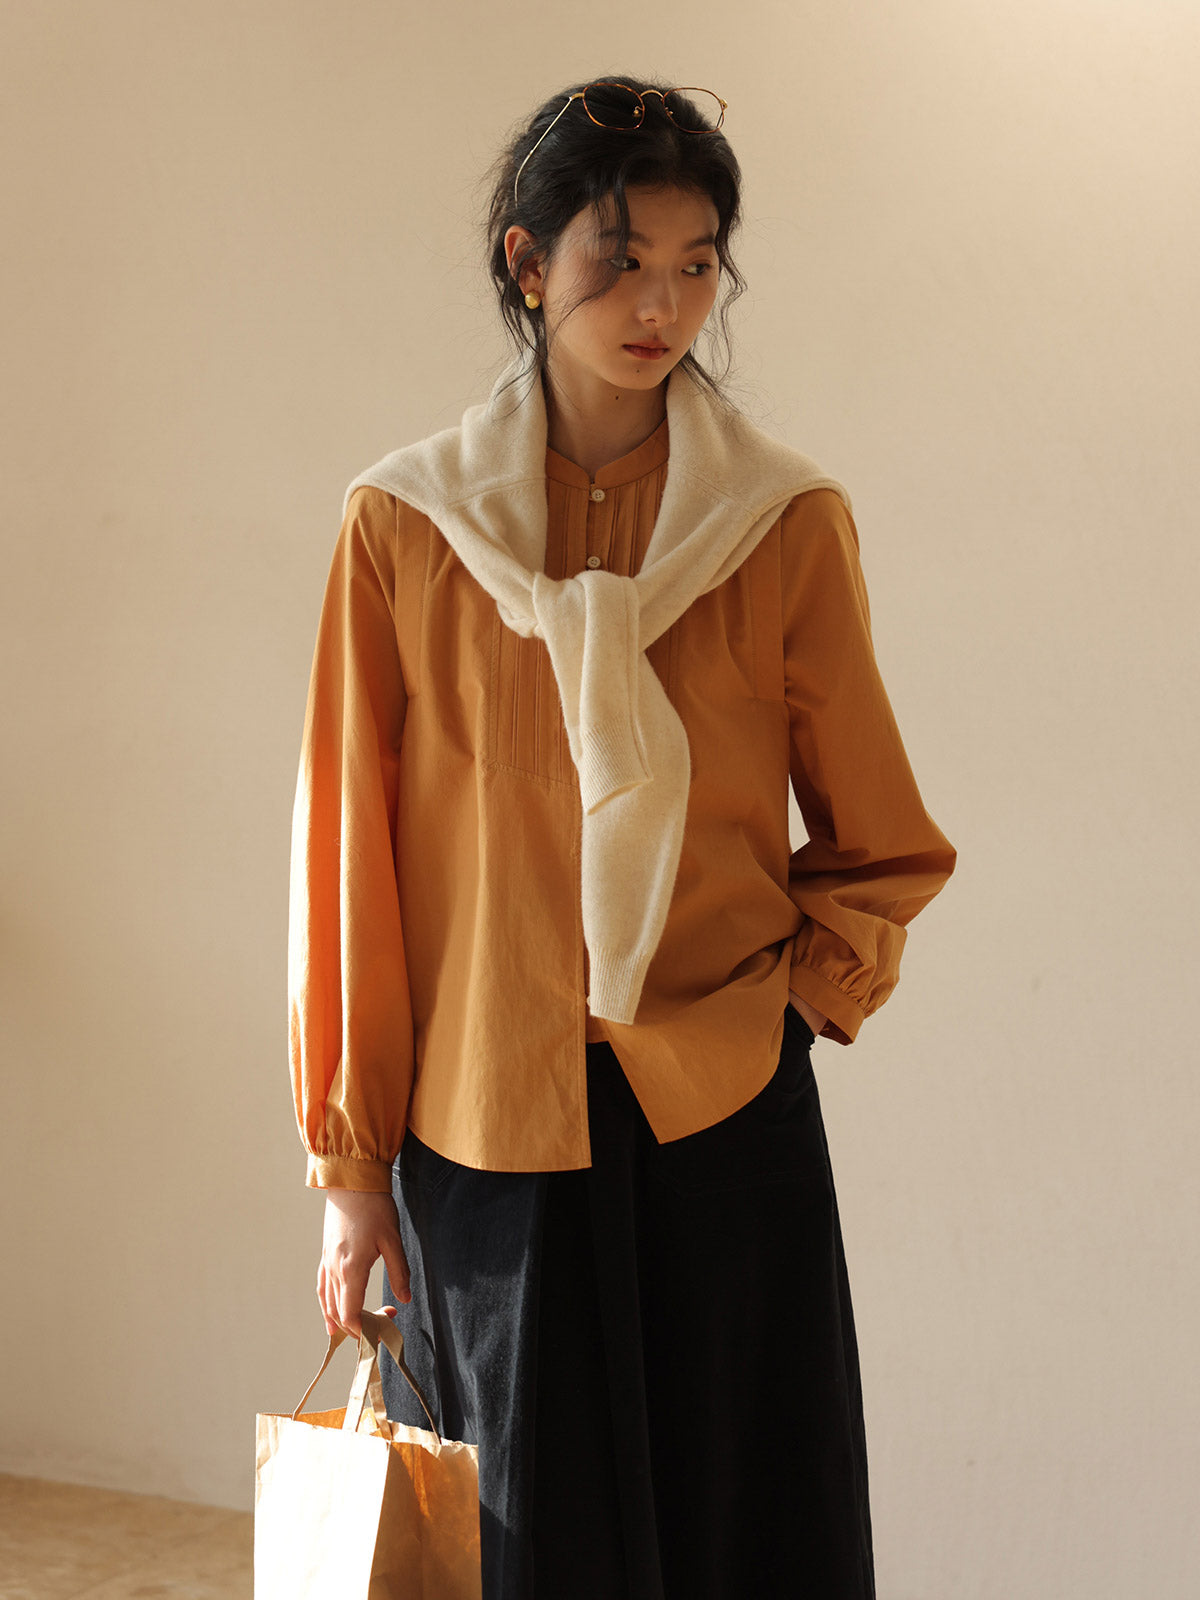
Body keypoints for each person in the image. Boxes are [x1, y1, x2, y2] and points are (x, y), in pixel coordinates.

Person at [288, 74, 956, 1600]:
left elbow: (881, 840)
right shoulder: (405, 526)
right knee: (523, 1552)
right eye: (621, 258)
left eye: (697, 263)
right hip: (482, 1133)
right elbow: (348, 865)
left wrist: (785, 1015)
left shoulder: (780, 522)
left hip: (718, 1116)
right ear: (529, 265)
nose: (663, 305)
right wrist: (350, 1168)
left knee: (743, 1534)